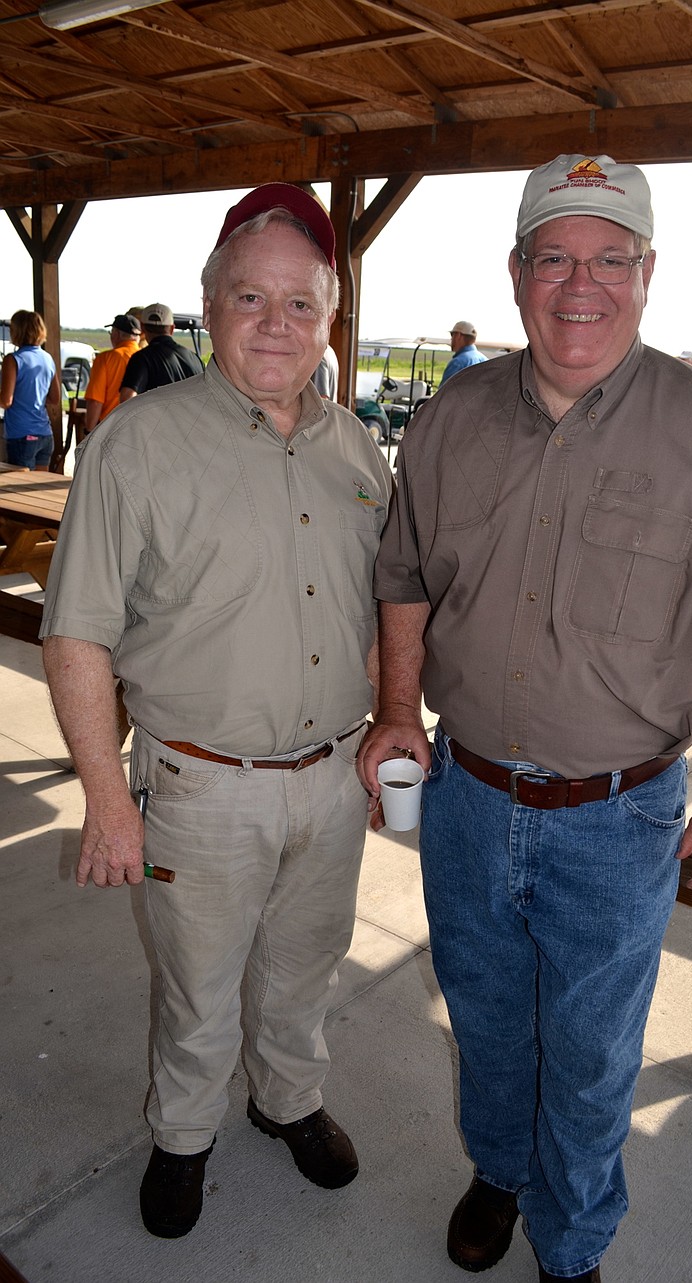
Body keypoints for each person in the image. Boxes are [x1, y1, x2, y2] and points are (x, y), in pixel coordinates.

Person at [358, 154, 692, 1282]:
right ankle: (499, 1168)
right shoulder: (452, 416)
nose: (581, 284)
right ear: (516, 272)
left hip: (619, 818)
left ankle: (572, 1241)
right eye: (554, 255)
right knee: (487, 1014)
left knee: (596, 1049)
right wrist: (395, 712)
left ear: (647, 272)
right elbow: (405, 575)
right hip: (464, 795)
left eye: (611, 258)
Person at [41, 182, 392, 1241]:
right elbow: (77, 634)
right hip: (200, 786)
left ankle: (286, 1099)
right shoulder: (135, 446)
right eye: (251, 298)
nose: (276, 322)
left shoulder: (359, 450)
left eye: (299, 302)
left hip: (332, 779)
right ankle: (183, 1134)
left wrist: (390, 731)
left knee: (305, 965)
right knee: (196, 989)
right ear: (210, 304)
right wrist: (107, 798)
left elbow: (384, 610)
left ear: (328, 316)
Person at [0, 310, 61, 470]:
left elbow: (5, 401)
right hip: (45, 434)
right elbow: (55, 399)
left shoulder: (13, 359)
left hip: (22, 434)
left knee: (18, 490)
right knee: (37, 490)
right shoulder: (48, 358)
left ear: (17, 331)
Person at [119, 302, 203, 400]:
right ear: (172, 328)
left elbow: (127, 397)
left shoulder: (141, 358)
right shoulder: (194, 358)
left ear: (142, 328)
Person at [84, 313, 142, 431]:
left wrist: (88, 432)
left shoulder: (106, 358)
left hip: (110, 428)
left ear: (116, 334)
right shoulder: (146, 357)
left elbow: (95, 401)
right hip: (139, 429)